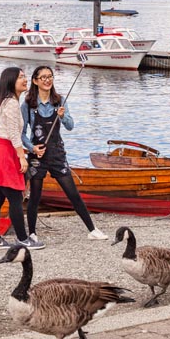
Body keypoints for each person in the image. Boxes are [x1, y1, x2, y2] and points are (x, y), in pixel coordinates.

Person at [21, 65, 108, 245]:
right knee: (35, 196)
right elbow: (21, 133)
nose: (47, 80)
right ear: (35, 81)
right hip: (38, 156)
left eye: (50, 76)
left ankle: (92, 229)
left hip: (57, 153)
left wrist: (62, 116)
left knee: (73, 193)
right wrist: (32, 148)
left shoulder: (59, 101)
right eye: (43, 77)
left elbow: (70, 126)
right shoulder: (28, 104)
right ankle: (32, 233)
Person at [0, 67, 44, 250]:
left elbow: (8, 133)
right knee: (15, 196)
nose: (25, 79)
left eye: (24, 76)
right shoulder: (12, 104)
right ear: (10, 81)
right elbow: (14, 134)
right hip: (4, 153)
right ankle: (22, 239)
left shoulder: (6, 101)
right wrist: (22, 157)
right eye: (21, 77)